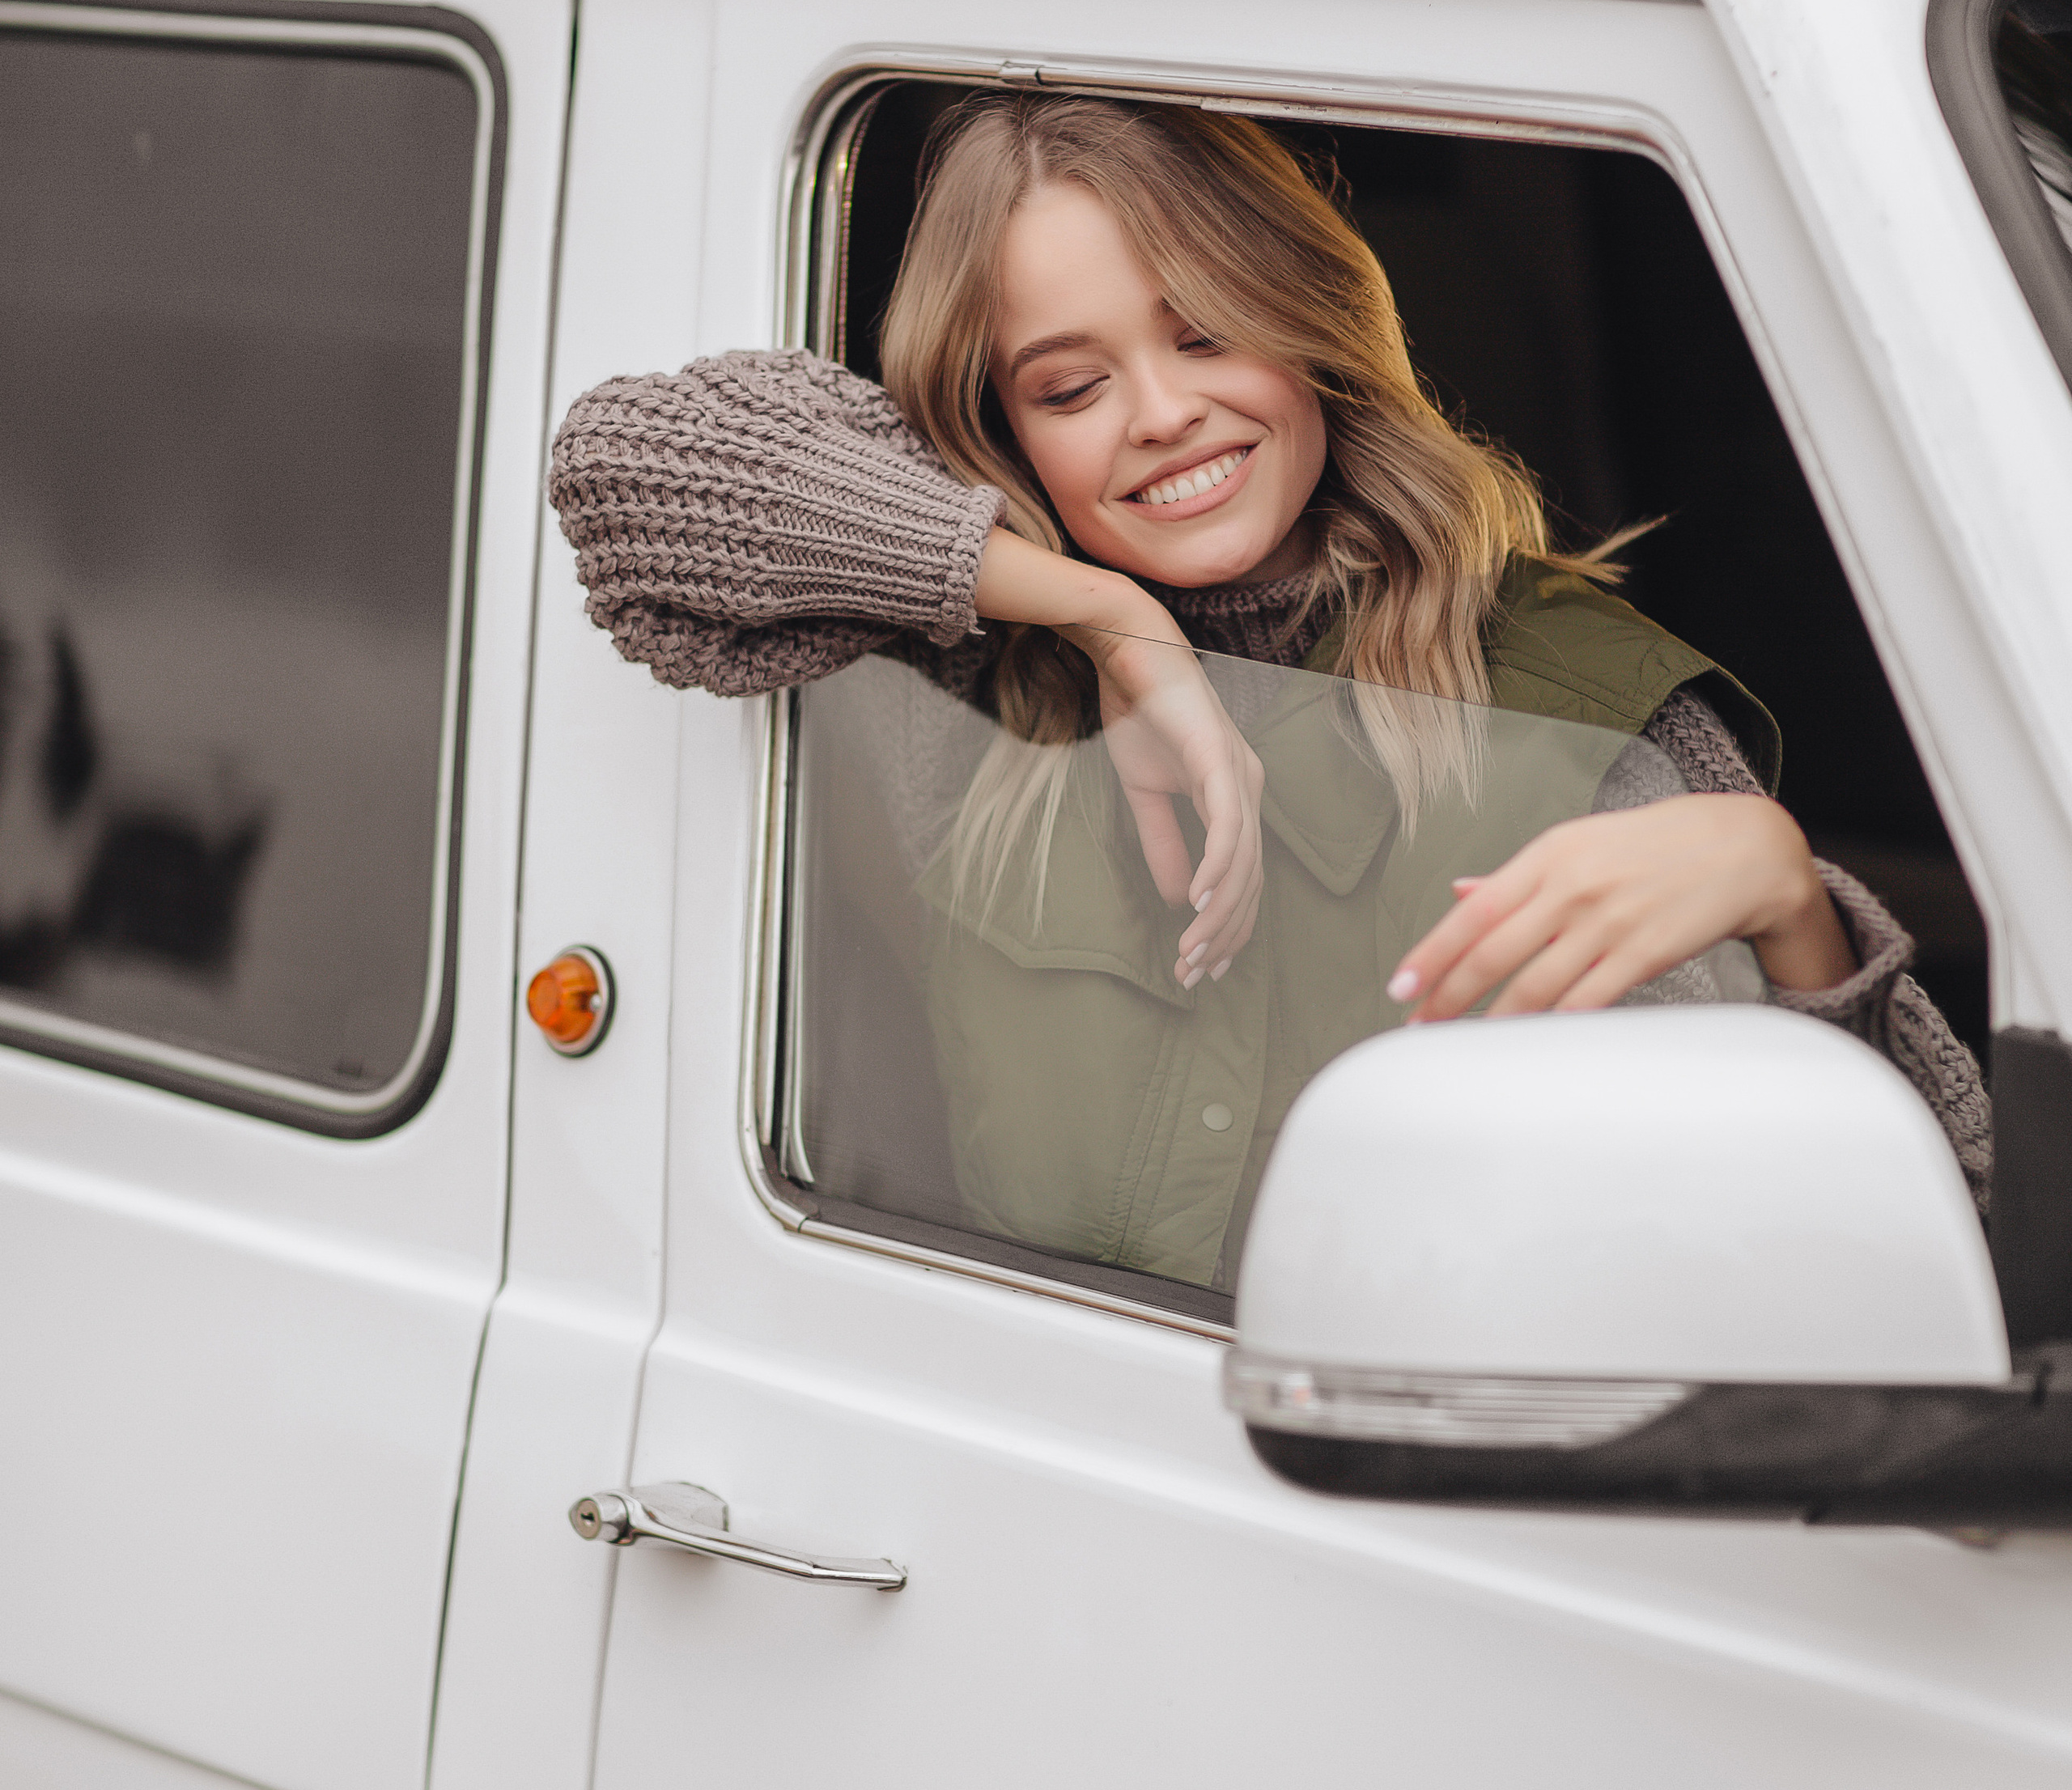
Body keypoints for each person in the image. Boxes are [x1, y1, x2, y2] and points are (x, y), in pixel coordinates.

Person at [550, 94, 1990, 1269]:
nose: (1163, 412)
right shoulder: (973, 682)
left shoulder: (1575, 705)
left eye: (1206, 329)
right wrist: (1108, 620)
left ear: (1310, 322)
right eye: (1069, 386)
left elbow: (1935, 1231)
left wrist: (1787, 902)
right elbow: (627, 470)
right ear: (1003, 430)